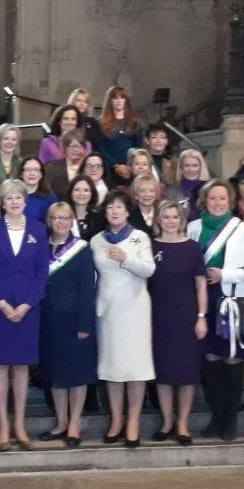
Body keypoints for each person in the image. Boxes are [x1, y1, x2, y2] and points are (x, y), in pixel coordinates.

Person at [0, 179, 50, 451]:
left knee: (21, 367)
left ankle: (20, 424)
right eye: (9, 198)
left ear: (25, 200)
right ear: (3, 202)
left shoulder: (39, 230)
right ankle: (3, 426)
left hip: (28, 309)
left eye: (18, 197)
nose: (14, 201)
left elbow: (42, 272)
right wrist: (3, 304)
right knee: (0, 366)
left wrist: (26, 305)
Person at [185, 180, 244, 441]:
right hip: (203, 300)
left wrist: (224, 274)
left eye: (222, 199)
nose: (217, 204)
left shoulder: (240, 229)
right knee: (209, 359)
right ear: (204, 201)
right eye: (212, 199)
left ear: (230, 202)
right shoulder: (193, 228)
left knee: (231, 359)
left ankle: (230, 419)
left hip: (230, 300)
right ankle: (216, 417)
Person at [92, 191, 156, 447]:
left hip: (134, 308)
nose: (114, 211)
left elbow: (149, 269)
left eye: (119, 207)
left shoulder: (140, 238)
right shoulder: (96, 240)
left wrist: (126, 258)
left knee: (135, 369)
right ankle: (116, 420)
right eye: (110, 207)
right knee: (113, 368)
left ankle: (133, 423)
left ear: (128, 211)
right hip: (107, 309)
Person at [147, 200, 208, 445]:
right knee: (163, 373)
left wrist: (201, 317)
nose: (170, 221)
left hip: (187, 317)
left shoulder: (192, 248)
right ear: (158, 220)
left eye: (175, 217)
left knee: (185, 373)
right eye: (166, 217)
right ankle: (166, 422)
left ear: (182, 220)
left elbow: (201, 284)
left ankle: (182, 422)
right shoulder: (150, 246)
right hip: (158, 317)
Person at [38, 202, 98, 448]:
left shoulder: (82, 250)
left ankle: (74, 423)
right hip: (47, 318)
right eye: (56, 217)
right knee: (56, 374)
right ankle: (61, 422)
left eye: (65, 217)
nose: (61, 222)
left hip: (74, 318)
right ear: (49, 220)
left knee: (76, 374)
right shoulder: (40, 246)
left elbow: (87, 288)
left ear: (72, 220)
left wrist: (84, 323)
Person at [98, 85, 142, 186]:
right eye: (115, 98)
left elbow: (138, 147)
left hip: (130, 170)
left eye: (122, 97)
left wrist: (131, 166)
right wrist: (115, 166)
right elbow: (100, 148)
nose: (119, 101)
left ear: (126, 100)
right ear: (110, 101)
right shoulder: (100, 123)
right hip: (108, 171)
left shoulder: (134, 123)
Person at [44, 129, 91, 199]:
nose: (76, 150)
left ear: (84, 149)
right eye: (72, 146)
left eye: (79, 146)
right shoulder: (51, 168)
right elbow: (46, 192)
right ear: (64, 148)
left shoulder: (88, 168)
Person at [170, 148, 211, 221]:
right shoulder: (173, 191)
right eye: (187, 165)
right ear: (181, 168)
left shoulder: (209, 189)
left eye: (195, 165)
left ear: (201, 167)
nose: (191, 169)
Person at [18, 156, 58, 224]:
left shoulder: (50, 197)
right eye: (28, 170)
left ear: (41, 174)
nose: (32, 174)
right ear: (21, 174)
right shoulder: (13, 196)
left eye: (36, 170)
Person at [65, 176, 105, 241]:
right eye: (77, 190)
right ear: (70, 192)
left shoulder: (100, 218)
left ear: (92, 193)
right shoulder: (63, 217)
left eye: (86, 190)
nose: (81, 193)